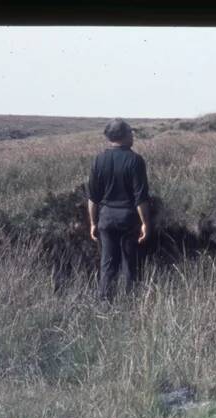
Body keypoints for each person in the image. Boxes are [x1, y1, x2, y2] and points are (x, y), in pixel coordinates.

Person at [87, 118, 151, 300]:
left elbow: (92, 198)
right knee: (129, 265)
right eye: (131, 132)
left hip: (105, 218)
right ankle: (130, 304)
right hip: (128, 219)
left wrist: (93, 222)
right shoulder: (135, 160)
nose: (133, 135)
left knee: (107, 265)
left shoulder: (99, 160)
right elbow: (141, 198)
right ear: (123, 135)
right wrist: (146, 223)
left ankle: (104, 305)